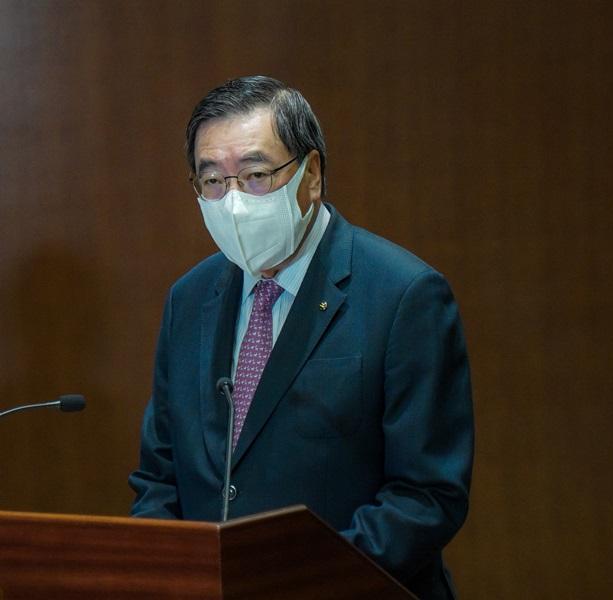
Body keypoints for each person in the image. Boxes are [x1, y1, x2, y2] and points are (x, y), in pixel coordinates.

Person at [128, 76, 474, 599]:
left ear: (311, 175)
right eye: (213, 180)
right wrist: (172, 574)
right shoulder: (189, 299)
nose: (233, 201)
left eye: (256, 175)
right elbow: (159, 477)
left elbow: (427, 495)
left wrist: (296, 584)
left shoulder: (403, 295)